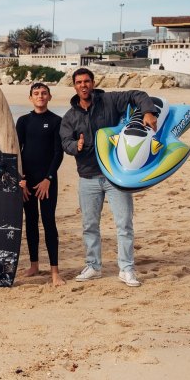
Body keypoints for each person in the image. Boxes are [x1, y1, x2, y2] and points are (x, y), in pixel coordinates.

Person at [61, 67, 157, 288]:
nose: (83, 85)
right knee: (89, 225)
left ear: (93, 83)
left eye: (87, 81)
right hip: (88, 176)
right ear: (74, 86)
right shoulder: (70, 116)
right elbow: (65, 142)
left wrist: (148, 111)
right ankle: (93, 266)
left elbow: (138, 95)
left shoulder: (110, 101)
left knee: (124, 224)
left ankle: (127, 269)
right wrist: (77, 145)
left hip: (116, 176)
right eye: (79, 82)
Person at [16, 82, 65, 286]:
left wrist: (48, 179)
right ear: (30, 98)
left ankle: (55, 271)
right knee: (31, 222)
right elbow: (17, 151)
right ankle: (34, 264)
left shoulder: (56, 121)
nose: (40, 96)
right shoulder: (23, 121)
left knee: (48, 222)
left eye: (44, 93)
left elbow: (58, 153)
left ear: (49, 97)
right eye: (36, 93)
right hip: (27, 181)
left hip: (47, 181)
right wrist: (21, 179)